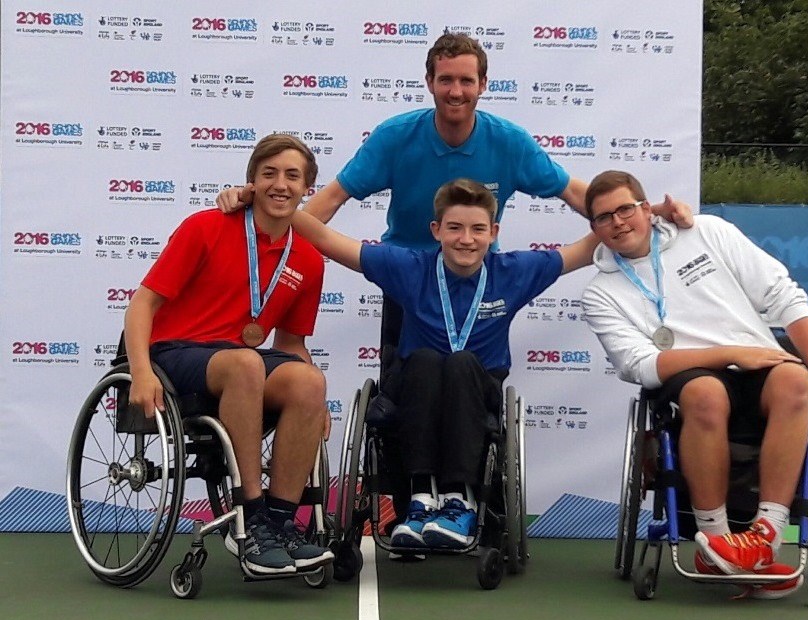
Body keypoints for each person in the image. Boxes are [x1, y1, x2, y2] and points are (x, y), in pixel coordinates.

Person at [216, 32, 692, 348]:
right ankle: (409, 495)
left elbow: (574, 193)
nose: (456, 90)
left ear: (483, 84)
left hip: (476, 278)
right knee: (401, 395)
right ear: (430, 83)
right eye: (446, 80)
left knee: (474, 384)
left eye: (467, 80)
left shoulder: (509, 141)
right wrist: (269, 220)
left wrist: (632, 214)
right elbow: (332, 197)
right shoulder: (396, 136)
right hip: (406, 278)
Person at [579, 170, 808, 599]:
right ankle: (715, 542)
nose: (618, 221)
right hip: (690, 378)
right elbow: (641, 364)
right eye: (603, 217)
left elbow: (784, 296)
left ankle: (762, 538)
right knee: (707, 393)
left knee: (796, 380)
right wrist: (728, 354)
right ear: (594, 228)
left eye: (626, 209)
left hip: (759, 367)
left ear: (647, 209)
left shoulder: (708, 231)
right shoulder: (600, 292)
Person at [290, 177, 598, 548]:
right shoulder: (408, 266)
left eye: (477, 229)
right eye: (454, 228)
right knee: (423, 360)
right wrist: (262, 201)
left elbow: (587, 247)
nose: (466, 239)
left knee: (460, 362)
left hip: (477, 386)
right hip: (416, 386)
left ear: (493, 232)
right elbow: (322, 238)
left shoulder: (514, 271)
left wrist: (645, 215)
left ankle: (458, 500)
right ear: (436, 230)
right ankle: (419, 500)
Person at [124, 134, 334, 576]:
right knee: (246, 362)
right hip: (177, 353)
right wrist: (141, 372)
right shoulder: (205, 226)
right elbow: (142, 304)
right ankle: (250, 516)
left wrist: (315, 406)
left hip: (240, 360)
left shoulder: (309, 260)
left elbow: (291, 345)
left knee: (308, 381)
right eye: (269, 174)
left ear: (306, 188)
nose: (281, 184)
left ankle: (278, 524)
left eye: (292, 176)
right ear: (251, 182)